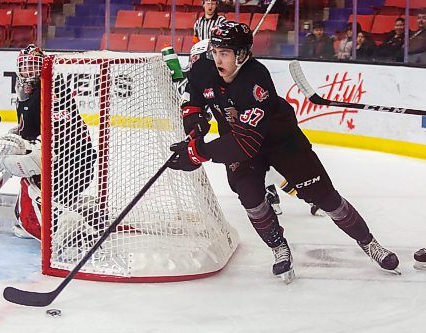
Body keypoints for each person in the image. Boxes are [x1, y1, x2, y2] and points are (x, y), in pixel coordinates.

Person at [168, 21, 399, 284]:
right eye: (215, 52)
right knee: (251, 197)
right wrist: (195, 123)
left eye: (225, 53)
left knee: (324, 197)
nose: (217, 59)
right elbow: (194, 97)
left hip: (281, 141)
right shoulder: (204, 68)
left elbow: (247, 144)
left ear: (241, 55)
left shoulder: (257, 81)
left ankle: (369, 243)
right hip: (239, 142)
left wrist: (199, 152)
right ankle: (279, 248)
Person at [0, 44, 97, 242]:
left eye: (33, 65)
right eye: (25, 65)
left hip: (72, 163)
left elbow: (60, 133)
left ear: (42, 67)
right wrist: (16, 139)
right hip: (55, 160)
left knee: (31, 210)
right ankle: (60, 216)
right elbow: (32, 128)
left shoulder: (52, 89)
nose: (28, 70)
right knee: (25, 206)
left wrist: (26, 149)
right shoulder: (27, 91)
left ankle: (67, 233)